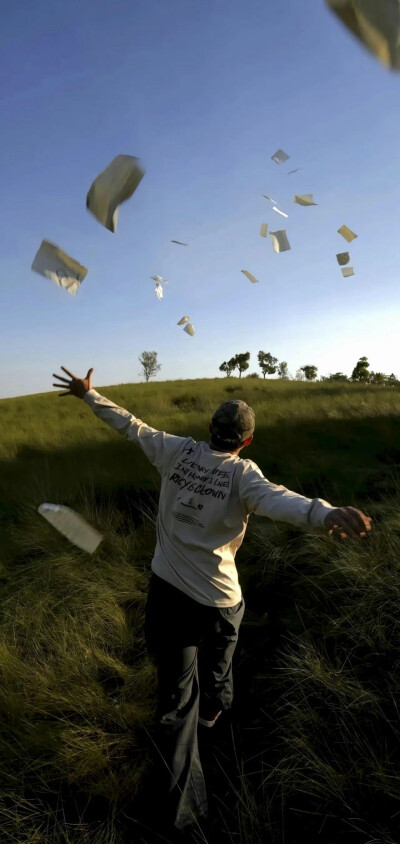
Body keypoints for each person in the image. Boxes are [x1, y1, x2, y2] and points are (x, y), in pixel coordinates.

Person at [52, 366, 372, 838]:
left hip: (167, 595)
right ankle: (213, 712)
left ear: (210, 431)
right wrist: (326, 514)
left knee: (175, 698)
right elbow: (281, 500)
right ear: (247, 441)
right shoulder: (245, 475)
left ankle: (179, 807)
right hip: (221, 603)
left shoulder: (175, 451)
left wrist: (88, 394)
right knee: (218, 672)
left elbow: (129, 424)